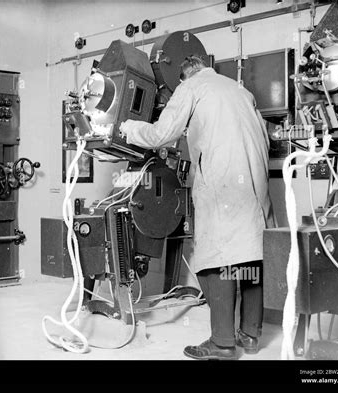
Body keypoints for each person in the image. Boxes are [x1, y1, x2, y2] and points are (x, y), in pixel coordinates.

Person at [119, 56, 276, 360]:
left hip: (223, 184)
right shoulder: (241, 91)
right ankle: (250, 335)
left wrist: (127, 128)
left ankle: (223, 343)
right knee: (252, 255)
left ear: (183, 76)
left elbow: (160, 135)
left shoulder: (191, 87)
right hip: (255, 182)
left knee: (214, 259)